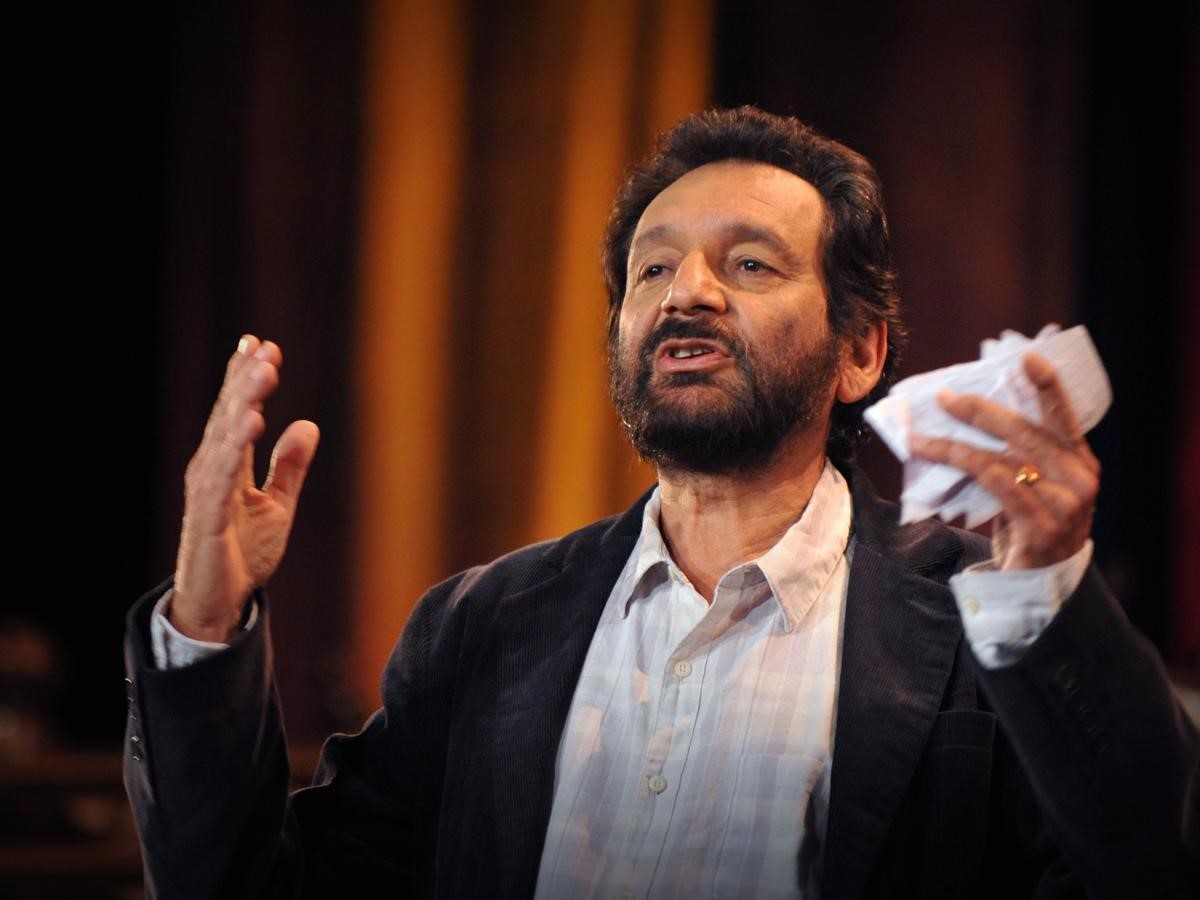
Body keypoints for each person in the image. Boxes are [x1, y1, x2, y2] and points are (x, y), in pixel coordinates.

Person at [123, 107, 1198, 899]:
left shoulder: (981, 615)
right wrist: (206, 628)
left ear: (860, 351)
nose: (689, 291)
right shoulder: (485, 623)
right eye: (652, 270)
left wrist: (1047, 595)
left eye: (751, 263)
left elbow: (1150, 862)